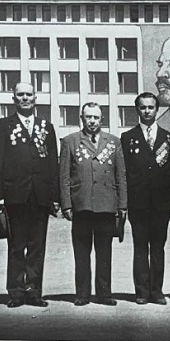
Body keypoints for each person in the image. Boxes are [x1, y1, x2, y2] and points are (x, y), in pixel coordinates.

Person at [0, 82, 59, 308]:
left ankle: (34, 292)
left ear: (35, 98)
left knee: (37, 247)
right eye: (20, 94)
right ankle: (16, 293)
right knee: (16, 246)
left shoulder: (46, 126)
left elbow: (53, 163)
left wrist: (54, 197)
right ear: (14, 99)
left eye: (29, 94)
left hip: (40, 196)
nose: (25, 98)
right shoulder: (4, 125)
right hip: (15, 196)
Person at [60, 102, 127, 306]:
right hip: (81, 205)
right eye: (88, 117)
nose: (92, 121)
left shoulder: (114, 142)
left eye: (96, 117)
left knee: (104, 252)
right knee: (81, 253)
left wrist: (122, 205)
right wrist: (66, 204)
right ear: (82, 118)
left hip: (106, 205)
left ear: (101, 119)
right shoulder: (70, 141)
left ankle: (104, 294)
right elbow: (64, 176)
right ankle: (82, 294)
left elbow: (121, 175)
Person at [121, 92, 170, 305]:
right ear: (137, 110)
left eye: (151, 107)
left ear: (157, 109)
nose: (147, 111)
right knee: (140, 247)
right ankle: (142, 291)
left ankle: (157, 291)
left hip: (161, 204)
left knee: (158, 248)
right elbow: (125, 171)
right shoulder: (127, 138)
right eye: (143, 107)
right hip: (138, 204)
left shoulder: (168, 138)